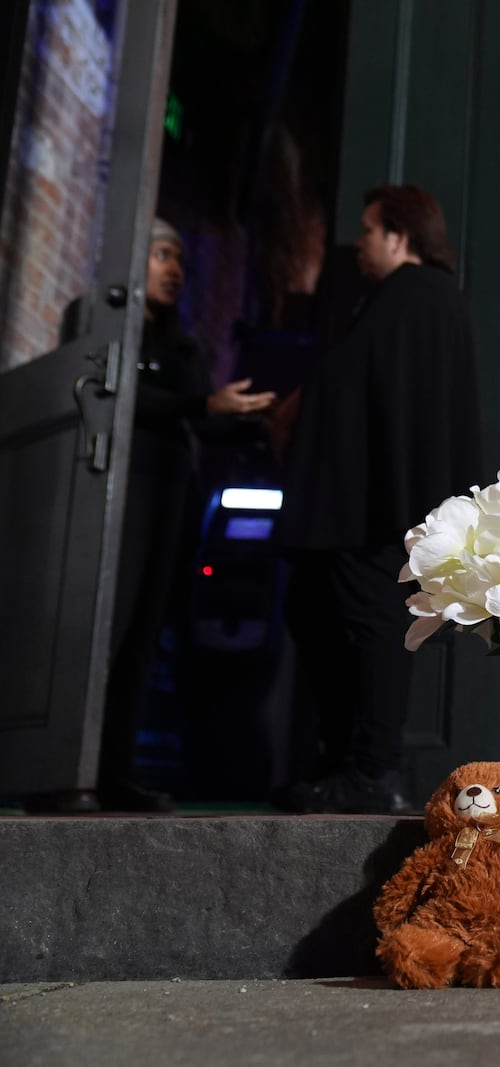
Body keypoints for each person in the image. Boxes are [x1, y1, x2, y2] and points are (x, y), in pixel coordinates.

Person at [28, 219, 276, 814]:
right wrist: (201, 404)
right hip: (109, 496)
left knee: (142, 640)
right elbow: (103, 396)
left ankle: (114, 773)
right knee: (97, 633)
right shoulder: (94, 318)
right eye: (163, 255)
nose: (176, 270)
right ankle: (62, 770)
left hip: (166, 505)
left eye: (178, 258)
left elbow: (197, 416)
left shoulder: (180, 342)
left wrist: (248, 417)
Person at [272, 184, 484, 814]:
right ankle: (348, 763)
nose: (359, 243)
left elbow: (393, 409)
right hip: (365, 508)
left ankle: (370, 771)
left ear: (400, 235)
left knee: (370, 629)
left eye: (368, 230)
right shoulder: (407, 300)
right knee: (320, 616)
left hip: (376, 512)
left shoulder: (415, 297)